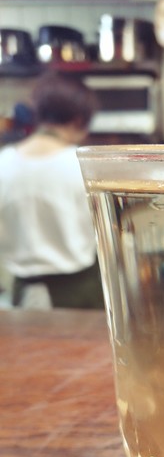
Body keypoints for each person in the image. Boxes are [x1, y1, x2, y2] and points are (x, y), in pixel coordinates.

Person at [0, 72, 103, 309]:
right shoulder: (82, 165)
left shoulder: (3, 163)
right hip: (80, 293)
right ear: (78, 120)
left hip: (22, 294)